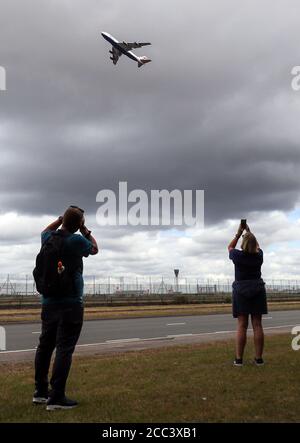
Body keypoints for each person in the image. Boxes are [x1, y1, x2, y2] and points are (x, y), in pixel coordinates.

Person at [33, 206, 98, 410]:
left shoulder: (49, 238)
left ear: (63, 221)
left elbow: (44, 230)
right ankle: (57, 397)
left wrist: (60, 220)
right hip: (70, 303)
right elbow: (95, 249)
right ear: (78, 224)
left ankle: (41, 392)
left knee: (45, 347)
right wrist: (85, 230)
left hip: (48, 302)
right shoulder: (76, 240)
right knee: (64, 349)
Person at [228, 222, 267, 367]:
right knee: (257, 324)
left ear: (243, 243)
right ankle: (259, 359)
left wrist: (239, 234)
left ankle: (239, 360)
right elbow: (257, 247)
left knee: (242, 325)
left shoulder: (237, 255)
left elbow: (230, 247)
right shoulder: (259, 256)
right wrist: (250, 232)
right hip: (257, 289)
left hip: (241, 291)